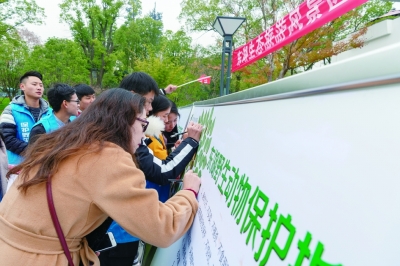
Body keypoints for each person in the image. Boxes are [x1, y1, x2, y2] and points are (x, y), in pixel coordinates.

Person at [0, 88, 201, 266]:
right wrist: (189, 193)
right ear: (127, 122)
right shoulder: (107, 156)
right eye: (144, 124)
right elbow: (162, 227)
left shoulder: (62, 140)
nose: (144, 135)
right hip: (42, 258)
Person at [99, 72, 202, 266]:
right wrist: (190, 143)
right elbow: (162, 171)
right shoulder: (123, 134)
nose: (149, 109)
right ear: (131, 97)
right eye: (148, 103)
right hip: (118, 233)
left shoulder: (108, 127)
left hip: (120, 230)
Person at [0, 71, 51, 166]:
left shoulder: (50, 112)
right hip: (17, 167)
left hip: (44, 166)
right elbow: (7, 139)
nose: (39, 87)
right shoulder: (11, 110)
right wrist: (34, 153)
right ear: (22, 87)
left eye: (41, 85)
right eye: (34, 84)